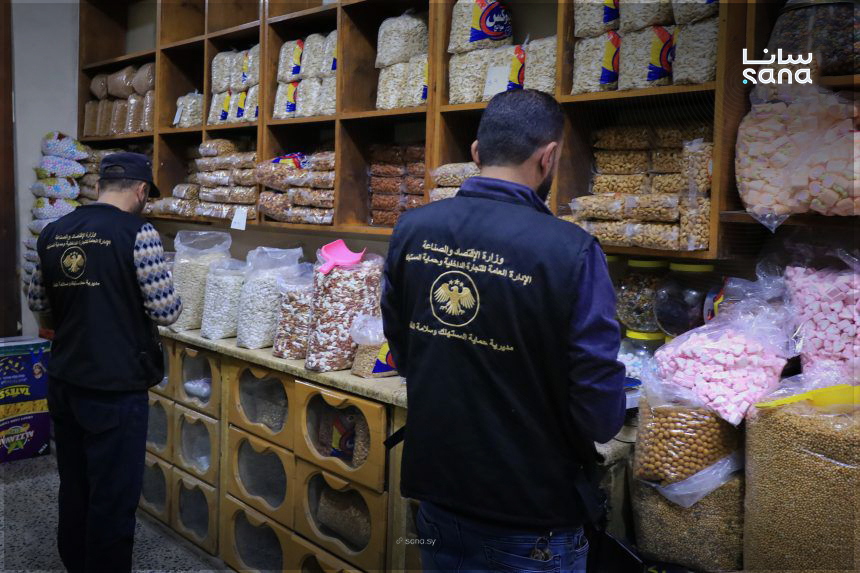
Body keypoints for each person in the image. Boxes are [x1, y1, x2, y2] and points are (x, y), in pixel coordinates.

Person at [381, 90, 626, 572]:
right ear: (549, 156)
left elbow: (404, 353)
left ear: (476, 152)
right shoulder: (571, 250)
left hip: (437, 495)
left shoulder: (412, 229)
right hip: (530, 517)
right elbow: (600, 416)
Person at [27, 152, 182, 572]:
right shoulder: (139, 233)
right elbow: (166, 310)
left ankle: (75, 562)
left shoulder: (53, 231)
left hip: (65, 378)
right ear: (141, 191)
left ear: (98, 187)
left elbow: (38, 301)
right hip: (115, 387)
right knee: (113, 495)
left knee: (75, 482)